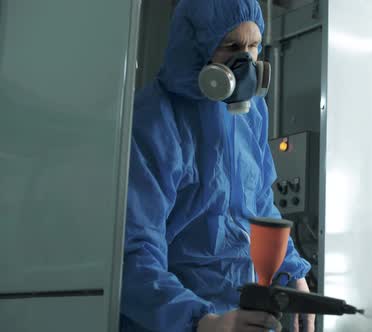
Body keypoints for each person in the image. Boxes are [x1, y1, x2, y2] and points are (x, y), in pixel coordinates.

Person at [119, 0, 313, 331]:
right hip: (173, 319)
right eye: (232, 47)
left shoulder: (252, 113)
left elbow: (262, 204)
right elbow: (132, 251)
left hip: (239, 315)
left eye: (253, 46)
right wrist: (202, 322)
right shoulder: (154, 119)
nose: (247, 61)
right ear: (196, 47)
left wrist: (291, 270)